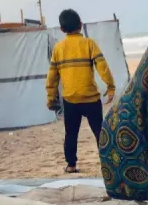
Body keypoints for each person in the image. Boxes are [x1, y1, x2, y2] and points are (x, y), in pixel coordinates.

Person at [46, 9, 115, 174]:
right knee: (100, 132)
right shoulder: (89, 44)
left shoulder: (58, 48)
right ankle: (109, 165)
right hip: (91, 98)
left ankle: (71, 165)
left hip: (70, 100)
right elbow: (102, 67)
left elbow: (52, 76)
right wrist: (110, 86)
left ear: (62, 29)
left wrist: (50, 97)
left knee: (71, 133)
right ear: (81, 25)